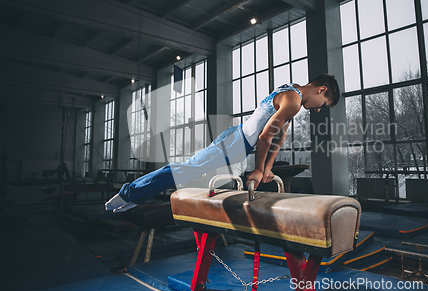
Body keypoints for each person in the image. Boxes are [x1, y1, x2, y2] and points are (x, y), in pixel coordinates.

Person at [105, 74, 340, 212]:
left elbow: (280, 136)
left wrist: (267, 168)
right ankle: (129, 194)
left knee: (192, 175)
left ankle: (135, 197)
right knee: (183, 171)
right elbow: (265, 137)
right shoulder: (294, 103)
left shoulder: (291, 91)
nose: (319, 109)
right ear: (321, 89)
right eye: (324, 103)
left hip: (235, 136)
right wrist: (259, 169)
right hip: (237, 144)